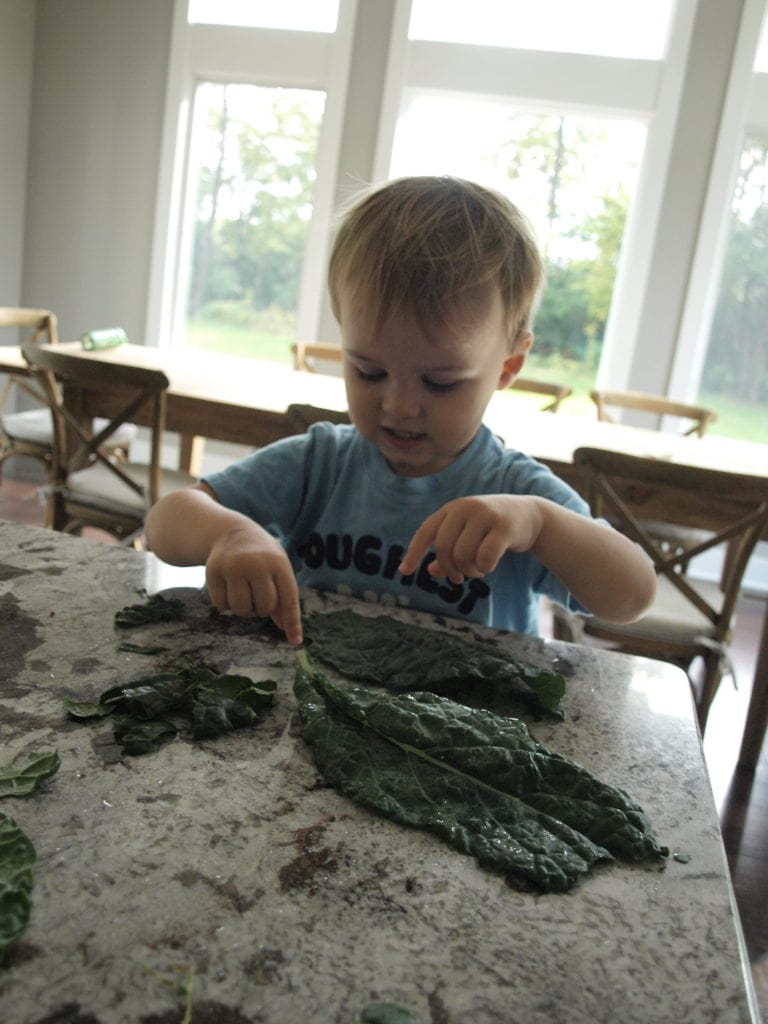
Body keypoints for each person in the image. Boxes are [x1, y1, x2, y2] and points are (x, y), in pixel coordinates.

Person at [145, 176, 656, 646]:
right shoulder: (320, 463)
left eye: (440, 383)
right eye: (368, 372)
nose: (399, 405)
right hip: (318, 704)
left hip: (457, 727)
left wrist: (542, 525)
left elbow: (631, 597)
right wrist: (227, 533)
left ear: (508, 365)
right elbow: (167, 521)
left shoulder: (515, 495)